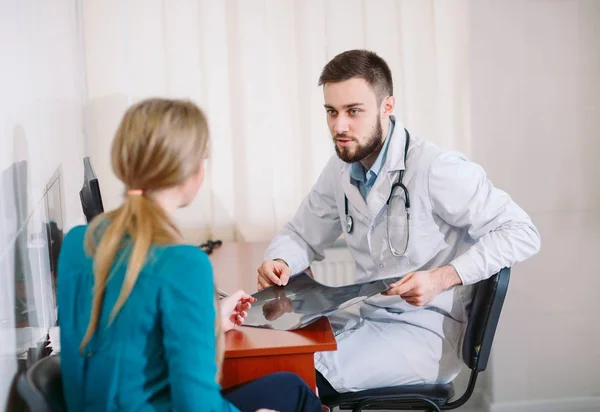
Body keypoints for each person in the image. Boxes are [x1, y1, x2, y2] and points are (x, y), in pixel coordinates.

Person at [256, 50, 541, 395]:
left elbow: (521, 231)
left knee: (294, 377)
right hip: (370, 314)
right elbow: (302, 233)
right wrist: (281, 260)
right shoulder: (341, 168)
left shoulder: (435, 167)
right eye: (331, 112)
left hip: (426, 332)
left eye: (353, 111)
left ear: (387, 106)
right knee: (273, 351)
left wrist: (441, 277)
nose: (339, 126)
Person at [57, 98, 323, 411]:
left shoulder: (76, 243)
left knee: (290, 386)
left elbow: (123, 338)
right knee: (300, 393)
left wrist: (206, 320)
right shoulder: (184, 265)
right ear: (189, 171)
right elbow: (197, 406)